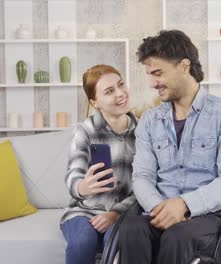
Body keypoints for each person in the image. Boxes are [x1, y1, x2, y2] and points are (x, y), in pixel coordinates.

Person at [119, 30, 221, 264]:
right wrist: (162, 209)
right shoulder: (149, 121)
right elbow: (142, 175)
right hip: (160, 210)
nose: (151, 83)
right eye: (149, 75)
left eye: (157, 73)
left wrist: (185, 206)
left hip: (209, 216)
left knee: (177, 236)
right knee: (131, 227)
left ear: (184, 66)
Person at [60, 64, 137, 264]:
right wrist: (82, 187)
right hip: (83, 211)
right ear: (95, 102)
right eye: (109, 91)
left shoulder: (143, 130)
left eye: (121, 85)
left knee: (120, 240)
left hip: (125, 212)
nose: (120, 94)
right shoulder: (85, 131)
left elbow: (145, 185)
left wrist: (115, 213)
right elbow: (73, 175)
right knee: (82, 241)